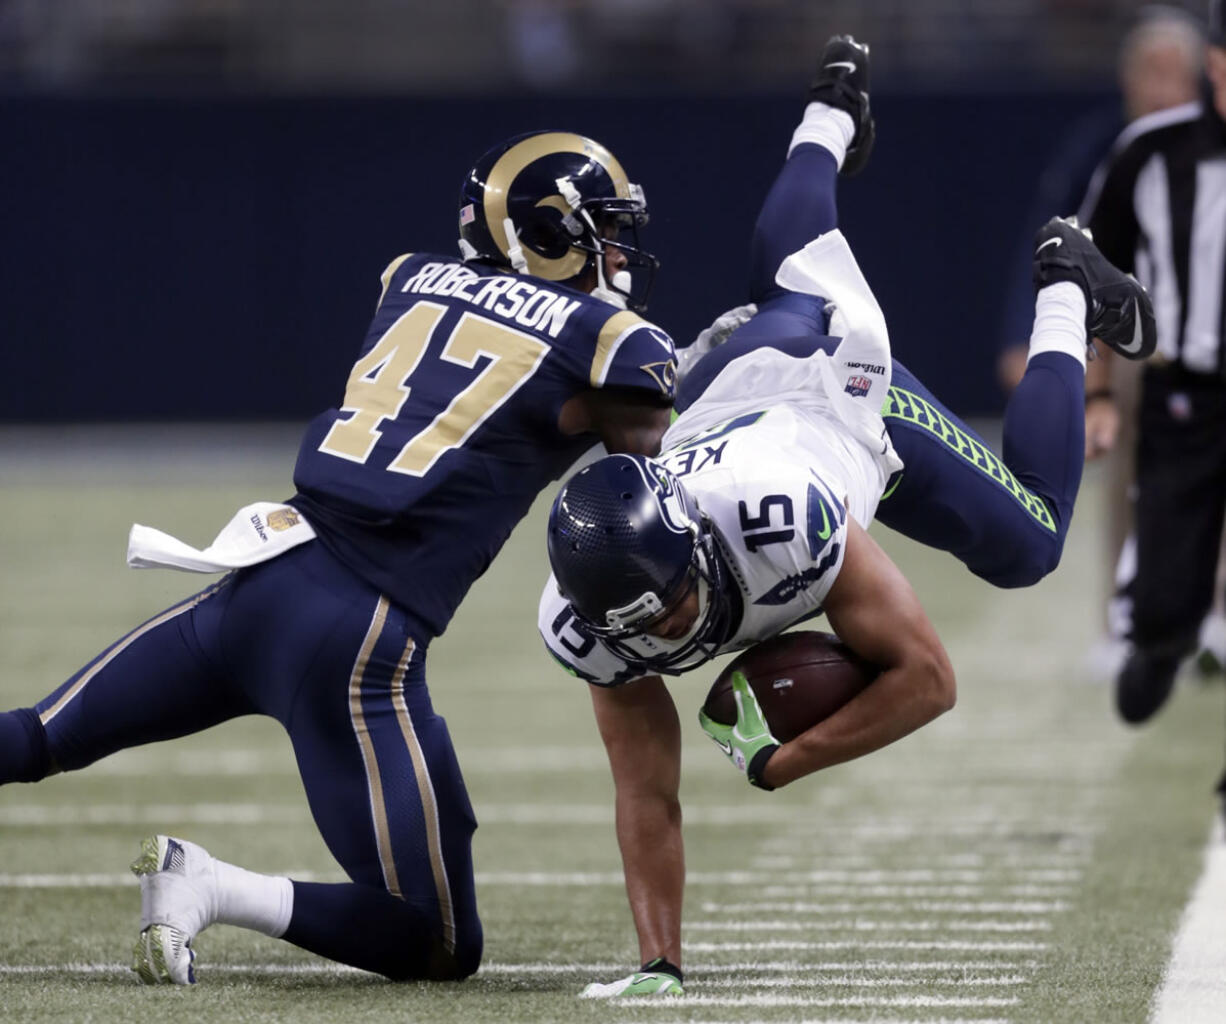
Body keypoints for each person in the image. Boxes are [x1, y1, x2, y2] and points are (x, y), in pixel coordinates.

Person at [537, 35, 1156, 999]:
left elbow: (929, 678)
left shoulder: (784, 519)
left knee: (1030, 539)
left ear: (694, 541)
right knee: (777, 273)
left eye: (670, 604)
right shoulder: (594, 616)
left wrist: (792, 758)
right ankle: (830, 114)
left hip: (832, 398)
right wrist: (659, 967)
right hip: (722, 398)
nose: (670, 631)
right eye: (647, 627)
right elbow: (645, 792)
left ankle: (1067, 284)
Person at [0, 131, 678, 984]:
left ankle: (209, 877)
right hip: (354, 643)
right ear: (547, 233)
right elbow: (646, 442)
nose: (618, 253)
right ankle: (207, 887)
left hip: (254, 585)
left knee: (33, 738)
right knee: (438, 943)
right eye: (603, 231)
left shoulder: (408, 277)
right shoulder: (608, 337)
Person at [1077, 0, 1226, 806]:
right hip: (1183, 394)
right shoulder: (1151, 152)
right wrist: (1100, 392)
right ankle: (1162, 636)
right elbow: (1091, 269)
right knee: (1165, 599)